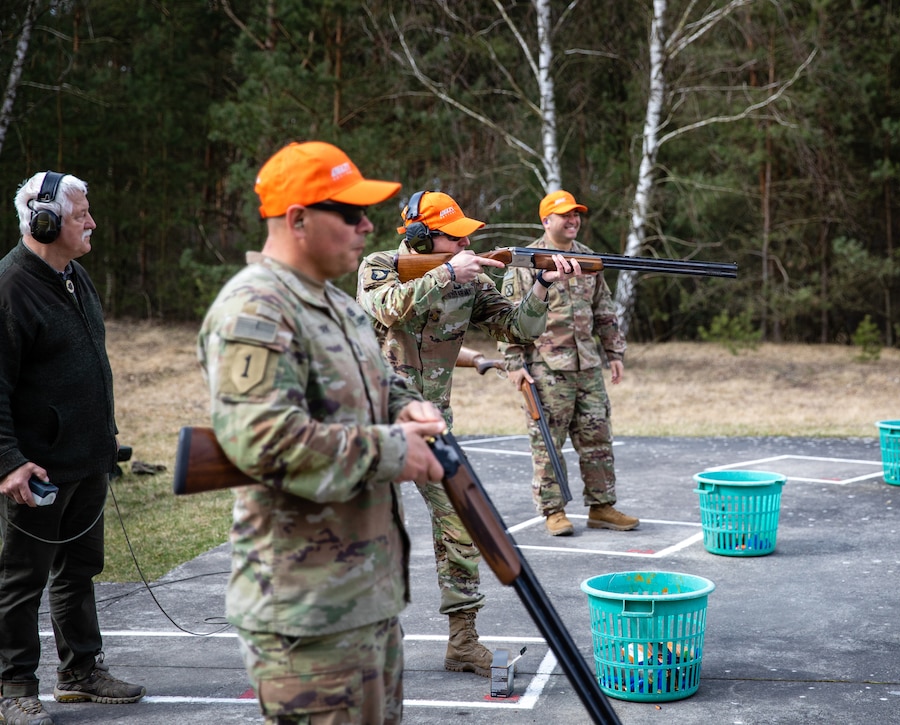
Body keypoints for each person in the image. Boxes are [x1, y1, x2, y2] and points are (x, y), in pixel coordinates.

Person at [197, 141, 447, 725]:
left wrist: (408, 408)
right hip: (307, 614)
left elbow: (382, 383)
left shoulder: (336, 304)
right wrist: (393, 449)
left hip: (364, 598)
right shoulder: (255, 310)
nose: (367, 226)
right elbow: (265, 439)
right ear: (298, 219)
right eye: (351, 214)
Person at [356, 190, 580, 676]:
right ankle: (366, 640)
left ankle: (462, 640)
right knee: (372, 532)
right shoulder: (381, 265)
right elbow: (386, 308)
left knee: (459, 526)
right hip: (373, 422)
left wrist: (541, 285)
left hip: (434, 424)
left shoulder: (471, 283)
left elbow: (518, 328)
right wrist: (443, 274)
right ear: (419, 236)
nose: (463, 244)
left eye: (465, 237)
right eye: (452, 237)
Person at [0, 171, 146, 725]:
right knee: (22, 579)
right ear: (45, 220)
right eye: (81, 214)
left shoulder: (74, 276)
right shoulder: (10, 288)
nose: (92, 222)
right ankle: (13, 686)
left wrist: (103, 439)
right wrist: (8, 462)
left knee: (79, 568)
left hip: (86, 459)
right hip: (35, 470)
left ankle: (80, 673)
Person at [498, 189, 639, 536]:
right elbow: (506, 316)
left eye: (576, 214)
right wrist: (514, 363)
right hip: (545, 366)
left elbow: (603, 307)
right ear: (547, 221)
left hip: (587, 365)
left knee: (597, 437)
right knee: (547, 442)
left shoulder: (589, 259)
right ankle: (553, 511)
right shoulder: (526, 261)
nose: (573, 220)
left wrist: (614, 353)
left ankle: (602, 506)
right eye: (565, 215)